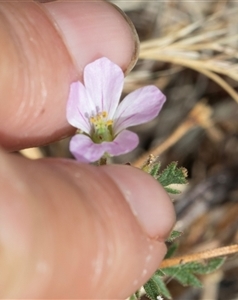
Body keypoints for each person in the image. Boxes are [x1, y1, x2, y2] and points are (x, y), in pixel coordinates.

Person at [0, 1, 175, 298]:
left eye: (107, 128)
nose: (103, 127)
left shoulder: (112, 127)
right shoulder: (90, 131)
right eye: (101, 127)